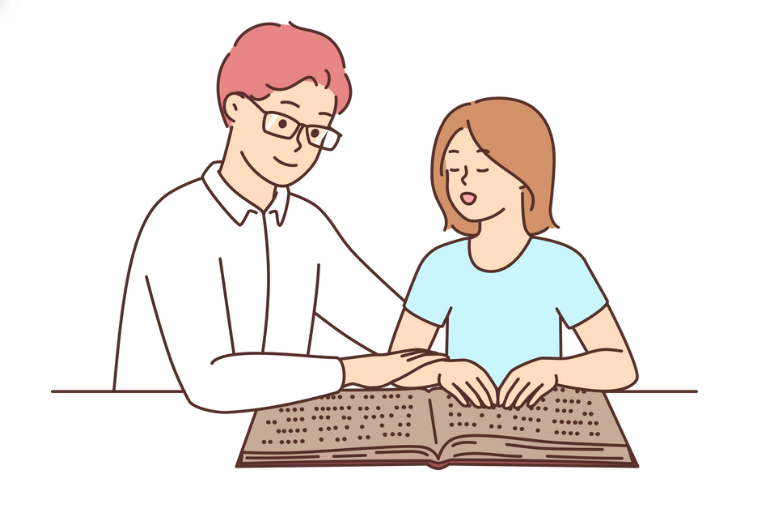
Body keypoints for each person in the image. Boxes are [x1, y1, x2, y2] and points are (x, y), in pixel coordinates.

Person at [113, 22, 443, 413]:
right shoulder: (179, 222)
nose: (300, 147)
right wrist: (350, 371)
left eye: (317, 132)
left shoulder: (305, 225)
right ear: (234, 108)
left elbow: (395, 336)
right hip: (160, 437)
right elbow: (210, 382)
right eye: (284, 123)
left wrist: (461, 360)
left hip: (274, 439)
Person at [389, 97, 638, 409]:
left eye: (482, 167)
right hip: (462, 422)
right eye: (454, 168)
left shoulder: (561, 266)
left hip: (543, 423)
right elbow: (398, 363)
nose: (464, 179)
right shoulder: (439, 266)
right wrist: (440, 370)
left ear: (526, 174)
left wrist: (556, 370)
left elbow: (620, 366)